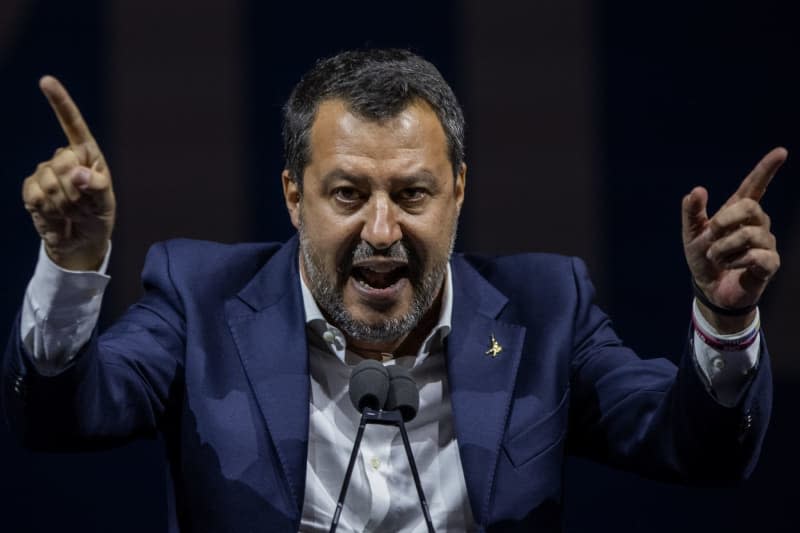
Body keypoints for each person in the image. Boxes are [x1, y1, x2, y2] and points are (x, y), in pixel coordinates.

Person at [3, 49, 784, 532]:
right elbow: (61, 415)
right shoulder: (199, 296)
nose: (381, 232)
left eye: (412, 195)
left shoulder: (548, 309)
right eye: (347, 195)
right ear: (292, 196)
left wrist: (725, 315)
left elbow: (698, 447)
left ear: (459, 192)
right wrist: (73, 266)